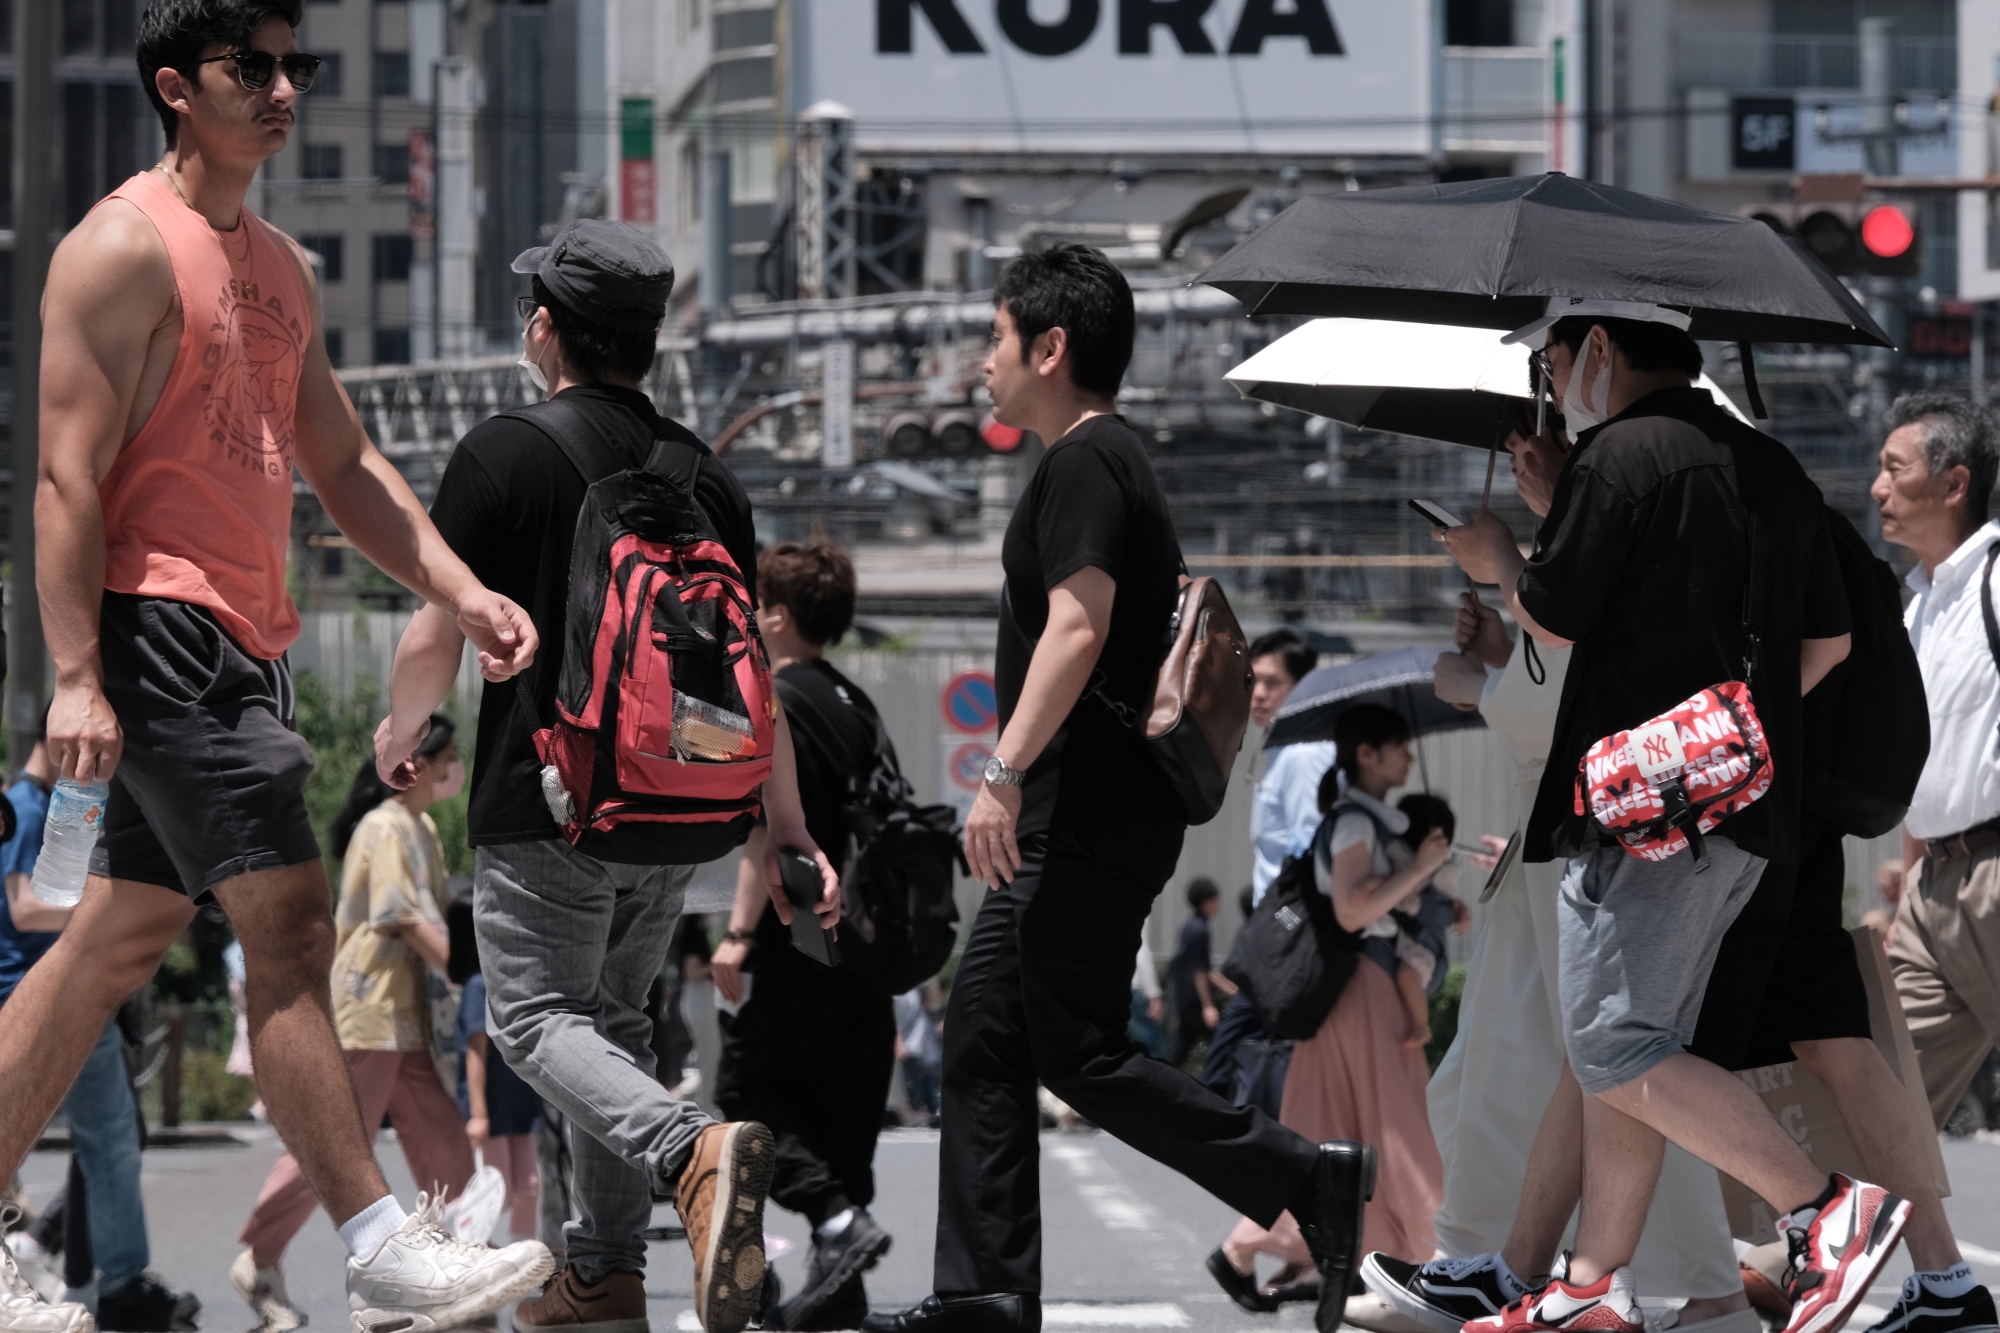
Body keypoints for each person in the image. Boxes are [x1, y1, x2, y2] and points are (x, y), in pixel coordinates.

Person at [0, 4, 555, 1329]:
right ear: (177, 87)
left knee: (109, 941)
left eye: (296, 66)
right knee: (293, 924)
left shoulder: (282, 267)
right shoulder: (119, 247)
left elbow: (345, 465)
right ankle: (375, 1238)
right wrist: (76, 673)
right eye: (257, 68)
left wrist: (460, 587)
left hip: (245, 642)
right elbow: (65, 477)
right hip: (160, 627)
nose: (287, 89)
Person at [863, 244, 1371, 1333]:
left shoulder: (1087, 464)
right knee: (999, 1039)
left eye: (993, 339)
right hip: (1093, 816)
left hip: (1080, 817)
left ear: (1049, 348)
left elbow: (1079, 624)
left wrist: (996, 773)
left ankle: (1299, 1177)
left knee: (1068, 1049)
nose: (979, 362)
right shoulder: (1099, 461)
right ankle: (986, 1292)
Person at [378, 217, 841, 1333]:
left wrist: (399, 734)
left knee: (536, 1018)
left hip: (552, 802)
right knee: (616, 1026)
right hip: (684, 810)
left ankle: (691, 1149)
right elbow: (753, 678)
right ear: (649, 339)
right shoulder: (705, 475)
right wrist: (784, 833)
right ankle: (602, 1273)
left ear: (547, 329)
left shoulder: (505, 452)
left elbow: (437, 627)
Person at [1438, 306, 1903, 1333]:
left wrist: (1504, 549)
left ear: (1598, 348)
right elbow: (1824, 646)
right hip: (1745, 804)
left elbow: (1550, 612)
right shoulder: (1770, 466)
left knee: (1611, 1045)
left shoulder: (1618, 457)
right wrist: (1722, 723)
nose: (1553, 387)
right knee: (1638, 1041)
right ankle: (1589, 1284)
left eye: (1552, 364)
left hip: (1638, 811)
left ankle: (1827, 1212)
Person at [1369, 580, 1744, 1330]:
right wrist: (1505, 655)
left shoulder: (1609, 517)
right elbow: (1557, 686)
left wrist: (1484, 677)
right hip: (1551, 832)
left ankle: (1762, 1247)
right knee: (1519, 1068)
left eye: (1529, 450)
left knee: (1606, 1059)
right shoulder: (1587, 529)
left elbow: (1583, 704)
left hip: (1587, 826)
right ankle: (1510, 1269)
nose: (1520, 456)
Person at [709, 540, 900, 1333]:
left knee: (742, 1101)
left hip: (806, 936)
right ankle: (837, 1297)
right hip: (874, 947)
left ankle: (833, 1222)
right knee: (839, 1121)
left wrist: (736, 935)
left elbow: (768, 834)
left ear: (777, 616)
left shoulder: (779, 696)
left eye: (754, 603)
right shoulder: (859, 703)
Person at [234, 719, 475, 1331]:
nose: (457, 767)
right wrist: (464, 972)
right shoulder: (385, 825)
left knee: (444, 1139)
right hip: (368, 1013)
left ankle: (459, 1264)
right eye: (448, 756)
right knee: (332, 1144)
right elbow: (399, 916)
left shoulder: (420, 828)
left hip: (405, 1016)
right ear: (418, 764)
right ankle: (258, 1258)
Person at [1210, 706, 1447, 1316]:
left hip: (1340, 992)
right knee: (1396, 1123)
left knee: (1325, 1129)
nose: (1410, 758)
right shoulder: (1353, 825)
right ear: (1367, 754)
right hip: (1363, 986)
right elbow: (1350, 910)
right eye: (1399, 748)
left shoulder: (1358, 821)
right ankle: (1435, 1258)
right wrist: (1419, 869)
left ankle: (1249, 1246)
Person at [0, 716, 198, 1333]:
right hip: (50, 996)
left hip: (53, 993)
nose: (99, 758)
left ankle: (103, 1278)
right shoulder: (27, 807)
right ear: (55, 737)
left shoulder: (38, 804)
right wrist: (106, 916)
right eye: (89, 746)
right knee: (111, 1139)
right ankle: (118, 1283)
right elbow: (24, 906)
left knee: (108, 1139)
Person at [1201, 630, 1330, 1102]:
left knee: (1227, 1066)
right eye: (1253, 681)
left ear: (1305, 687)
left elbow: (1316, 854)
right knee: (1253, 1063)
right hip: (1279, 930)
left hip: (1287, 933)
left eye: (1273, 683)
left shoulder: (1304, 755)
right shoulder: (1283, 749)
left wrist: (1278, 927)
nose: (1257, 693)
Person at [449, 900, 542, 1247]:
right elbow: (474, 1051)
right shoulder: (478, 986)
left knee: (529, 1186)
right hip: (491, 1104)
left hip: (517, 1099)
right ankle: (450, 1222)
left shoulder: (506, 981)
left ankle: (520, 1260)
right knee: (497, 1192)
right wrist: (478, 1113)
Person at [1166, 879, 1226, 1069]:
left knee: (1179, 1052)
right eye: (1217, 900)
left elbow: (1204, 968)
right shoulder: (1200, 930)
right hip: (1195, 1002)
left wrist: (1229, 987)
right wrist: (1208, 1005)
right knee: (1221, 1045)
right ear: (1207, 902)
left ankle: (1163, 1084)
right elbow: (1199, 971)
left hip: (1184, 999)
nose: (1219, 905)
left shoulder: (1189, 926)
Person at [895, 985, 944, 1126]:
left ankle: (932, 1111)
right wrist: (898, 1044)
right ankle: (917, 1111)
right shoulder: (901, 993)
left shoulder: (913, 991)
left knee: (927, 1078)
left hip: (918, 1045)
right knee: (915, 1082)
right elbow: (894, 1018)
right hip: (909, 1046)